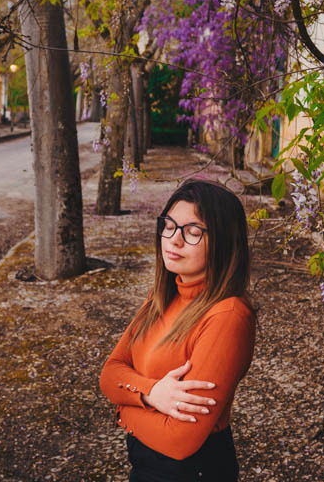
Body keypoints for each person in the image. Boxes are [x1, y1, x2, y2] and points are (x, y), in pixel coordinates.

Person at [100, 179, 256, 481]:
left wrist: (122, 408)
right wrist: (151, 393)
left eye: (193, 232)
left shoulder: (228, 315)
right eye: (169, 226)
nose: (174, 239)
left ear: (224, 241)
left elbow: (180, 442)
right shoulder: (161, 298)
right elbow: (110, 373)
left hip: (193, 472)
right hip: (145, 467)